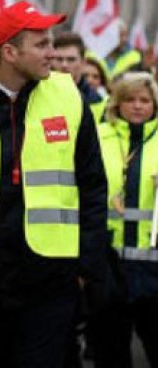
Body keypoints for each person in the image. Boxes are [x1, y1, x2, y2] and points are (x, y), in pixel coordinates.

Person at [0, 0, 108, 368]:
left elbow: (93, 186)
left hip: (52, 278)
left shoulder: (67, 96)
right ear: (9, 52)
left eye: (52, 43)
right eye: (41, 45)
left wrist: (85, 270)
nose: (52, 54)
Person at [87, 72, 158, 367]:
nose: (138, 106)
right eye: (130, 99)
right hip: (108, 262)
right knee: (109, 352)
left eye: (145, 100)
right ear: (117, 103)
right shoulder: (97, 137)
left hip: (153, 265)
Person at [53, 32, 106, 121]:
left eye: (71, 59)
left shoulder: (96, 100)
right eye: (59, 59)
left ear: (83, 62)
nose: (64, 65)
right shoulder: (36, 92)